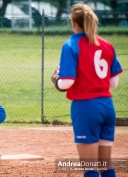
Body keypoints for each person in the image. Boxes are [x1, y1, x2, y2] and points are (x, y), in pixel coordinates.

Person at [51, 3, 123, 177]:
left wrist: (56, 81)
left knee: (90, 167)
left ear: (73, 23)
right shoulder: (106, 44)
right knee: (105, 166)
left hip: (86, 107)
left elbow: (67, 82)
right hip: (107, 106)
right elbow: (114, 82)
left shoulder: (70, 45)